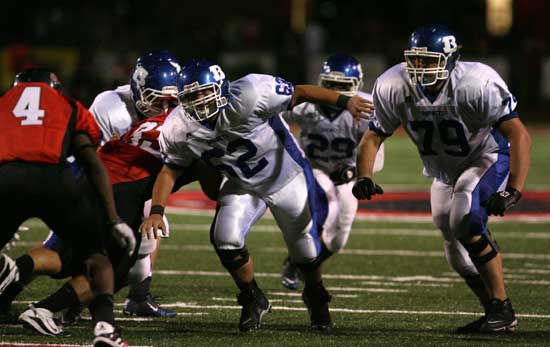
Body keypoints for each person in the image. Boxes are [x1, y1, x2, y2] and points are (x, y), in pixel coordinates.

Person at [140, 59, 374, 332]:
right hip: (241, 183)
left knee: (305, 248)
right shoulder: (178, 127)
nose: (201, 101)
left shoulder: (251, 92)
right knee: (225, 238)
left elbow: (299, 93)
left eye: (205, 92)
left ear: (221, 88)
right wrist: (156, 211)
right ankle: (252, 297)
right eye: (192, 96)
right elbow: (170, 170)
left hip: (285, 177)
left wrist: (345, 102)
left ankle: (316, 296)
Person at [352, 24, 531, 333]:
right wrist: (364, 175)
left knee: (466, 219)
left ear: (450, 59)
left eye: (429, 60)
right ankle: (494, 312)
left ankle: (502, 306)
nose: (421, 68)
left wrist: (514, 187)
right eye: (416, 60)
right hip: (443, 171)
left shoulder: (476, 82)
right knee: (456, 250)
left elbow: (518, 133)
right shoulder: (394, 84)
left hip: (485, 156)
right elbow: (372, 137)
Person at [0, 68, 136, 347]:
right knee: (97, 257)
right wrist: (112, 218)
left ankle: (4, 269)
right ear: (54, 87)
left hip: (7, 178)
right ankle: (105, 327)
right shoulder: (68, 105)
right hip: (56, 180)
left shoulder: (3, 104)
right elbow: (92, 162)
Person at [279, 53, 385, 290]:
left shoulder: (366, 108)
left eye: (342, 86)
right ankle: (301, 263)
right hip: (313, 169)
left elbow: (376, 158)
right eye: (330, 85)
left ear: (356, 85)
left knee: (338, 239)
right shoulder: (306, 106)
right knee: (324, 205)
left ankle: (299, 263)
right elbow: (274, 115)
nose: (336, 92)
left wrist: (353, 172)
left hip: (348, 173)